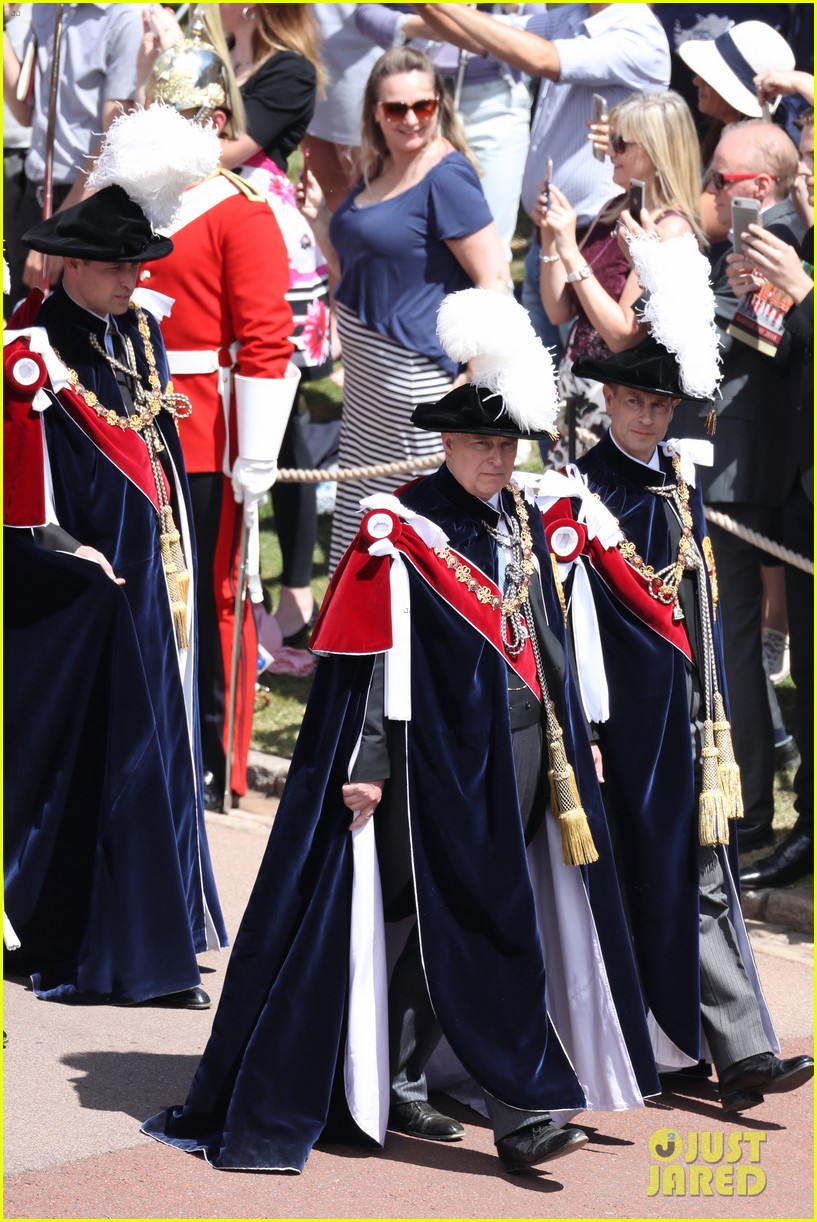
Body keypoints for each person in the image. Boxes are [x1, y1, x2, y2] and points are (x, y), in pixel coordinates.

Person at [142, 289, 660, 1174]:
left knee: (433, 924)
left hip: (523, 748)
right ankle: (523, 1111)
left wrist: (578, 737)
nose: (496, 457)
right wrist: (370, 764)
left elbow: (541, 635)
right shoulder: (403, 525)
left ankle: (399, 1073)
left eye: (507, 444)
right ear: (446, 442)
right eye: (481, 443)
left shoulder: (516, 515)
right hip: (438, 761)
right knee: (483, 922)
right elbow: (374, 662)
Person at [535, 248, 813, 1110]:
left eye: (660, 405)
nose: (648, 417)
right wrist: (583, 729)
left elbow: (699, 605)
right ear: (608, 401)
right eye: (634, 401)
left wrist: (711, 708)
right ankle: (658, 1040)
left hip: (689, 717)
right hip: (619, 720)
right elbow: (565, 625)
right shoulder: (578, 492)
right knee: (640, 879)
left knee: (702, 873)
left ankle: (743, 1049)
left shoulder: (679, 485)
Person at [3, 105, 228, 1007]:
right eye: (119, 266)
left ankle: (168, 921)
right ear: (75, 265)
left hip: (158, 568)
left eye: (140, 265)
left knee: (167, 742)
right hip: (90, 581)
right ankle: (128, 950)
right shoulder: (35, 344)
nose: (135, 278)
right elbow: (23, 493)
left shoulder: (137, 328)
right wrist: (70, 552)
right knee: (118, 755)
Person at [143, 27, 297, 810]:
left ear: (213, 121)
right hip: (126, 420)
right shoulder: (133, 194)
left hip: (204, 429)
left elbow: (266, 339)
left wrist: (257, 452)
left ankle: (215, 759)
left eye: (182, 115)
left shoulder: (241, 210)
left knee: (213, 597)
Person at [297, 46, 509, 570]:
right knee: (367, 526)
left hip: (417, 381)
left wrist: (473, 374)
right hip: (366, 389)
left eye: (423, 105)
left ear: (440, 105)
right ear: (376, 112)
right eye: (396, 108)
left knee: (417, 537)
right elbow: (355, 270)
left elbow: (494, 277)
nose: (411, 118)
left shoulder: (446, 176)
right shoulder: (379, 167)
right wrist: (319, 222)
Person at [414, 2, 670, 355]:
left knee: (587, 368)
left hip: (603, 243)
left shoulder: (639, 32)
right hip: (550, 234)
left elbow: (542, 58)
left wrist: (440, 6)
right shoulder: (574, 15)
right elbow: (481, 35)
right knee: (539, 369)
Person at [682, 118, 803, 851]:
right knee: (724, 642)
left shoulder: (781, 241)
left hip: (745, 467)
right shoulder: (756, 241)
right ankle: (746, 803)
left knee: (731, 644)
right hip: (735, 462)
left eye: (718, 178)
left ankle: (748, 808)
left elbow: (766, 348)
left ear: (758, 185)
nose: (708, 189)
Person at [729, 109, 814, 889]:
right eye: (806, 159)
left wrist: (803, 292)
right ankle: (807, 829)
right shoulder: (799, 244)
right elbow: (778, 354)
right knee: (809, 679)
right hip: (797, 491)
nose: (808, 178)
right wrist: (752, 300)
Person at [534, 88, 704, 466]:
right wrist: (551, 236)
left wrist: (570, 248)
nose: (610, 151)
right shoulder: (614, 207)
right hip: (578, 386)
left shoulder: (670, 229)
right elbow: (559, 310)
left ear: (656, 151)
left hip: (617, 403)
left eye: (621, 143)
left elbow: (623, 333)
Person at [354, 3, 535, 260]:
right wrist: (416, 26)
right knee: (410, 233)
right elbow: (366, 12)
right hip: (415, 99)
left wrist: (511, 10)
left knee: (491, 244)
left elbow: (539, 29)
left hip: (493, 102)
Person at [3, 2, 145, 292]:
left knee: (72, 317)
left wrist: (61, 226)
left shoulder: (125, 15)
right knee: (22, 313)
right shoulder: (44, 9)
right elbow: (24, 111)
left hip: (86, 201)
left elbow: (115, 135)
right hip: (35, 195)